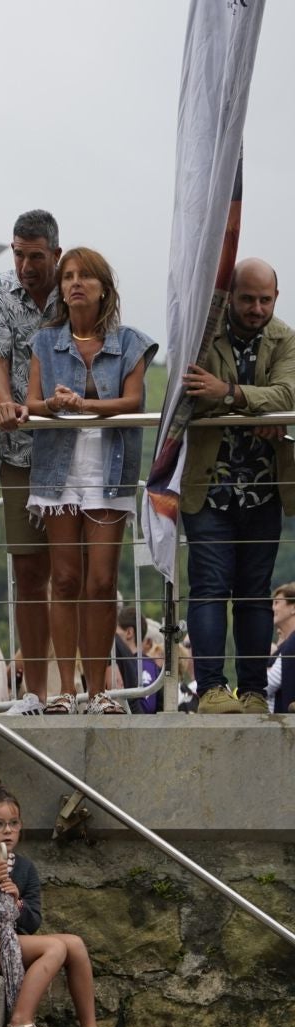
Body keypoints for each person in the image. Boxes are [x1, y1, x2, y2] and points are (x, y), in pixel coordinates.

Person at [26, 248, 155, 715]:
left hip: (109, 469)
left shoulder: (132, 343)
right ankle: (65, 690)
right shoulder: (45, 342)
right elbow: (33, 404)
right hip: (59, 470)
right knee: (64, 579)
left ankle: (98, 690)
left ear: (104, 287)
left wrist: (81, 404)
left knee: (101, 581)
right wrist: (56, 404)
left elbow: (134, 400)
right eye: (69, 277)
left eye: (86, 277)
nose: (75, 283)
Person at [179, 257, 295, 714]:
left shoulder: (284, 338)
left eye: (265, 300)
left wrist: (229, 395)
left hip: (266, 488)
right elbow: (190, 395)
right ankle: (209, 689)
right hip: (209, 487)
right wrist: (256, 411)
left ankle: (251, 692)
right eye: (247, 298)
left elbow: (288, 396)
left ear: (276, 299)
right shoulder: (203, 332)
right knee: (209, 587)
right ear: (230, 296)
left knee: (254, 591)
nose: (256, 308)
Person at [0, 211, 61, 706]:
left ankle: (78, 686)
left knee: (76, 572)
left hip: (76, 452)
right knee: (29, 569)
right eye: (18, 253)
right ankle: (38, 692)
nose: (25, 265)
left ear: (56, 254)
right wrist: (4, 402)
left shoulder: (80, 285)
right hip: (20, 451)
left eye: (35, 256)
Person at [0, 779, 110, 1027]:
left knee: (74, 943)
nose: (8, 831)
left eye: (14, 823)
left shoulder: (25, 868)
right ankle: (20, 1024)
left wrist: (18, 903)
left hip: (10, 940)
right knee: (54, 947)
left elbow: (33, 922)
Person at [268, 583, 295, 712]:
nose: (273, 608)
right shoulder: (285, 645)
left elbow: (271, 681)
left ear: (293, 608)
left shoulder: (292, 643)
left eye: (277, 603)